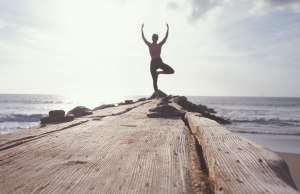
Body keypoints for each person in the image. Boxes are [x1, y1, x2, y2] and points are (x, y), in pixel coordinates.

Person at [141, 23, 174, 98]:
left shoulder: (150, 45)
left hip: (154, 62)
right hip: (158, 61)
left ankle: (157, 95)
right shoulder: (159, 45)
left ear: (152, 38)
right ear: (156, 39)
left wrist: (142, 29)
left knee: (154, 80)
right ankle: (159, 73)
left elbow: (143, 38)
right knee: (171, 71)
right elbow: (166, 37)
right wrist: (168, 29)